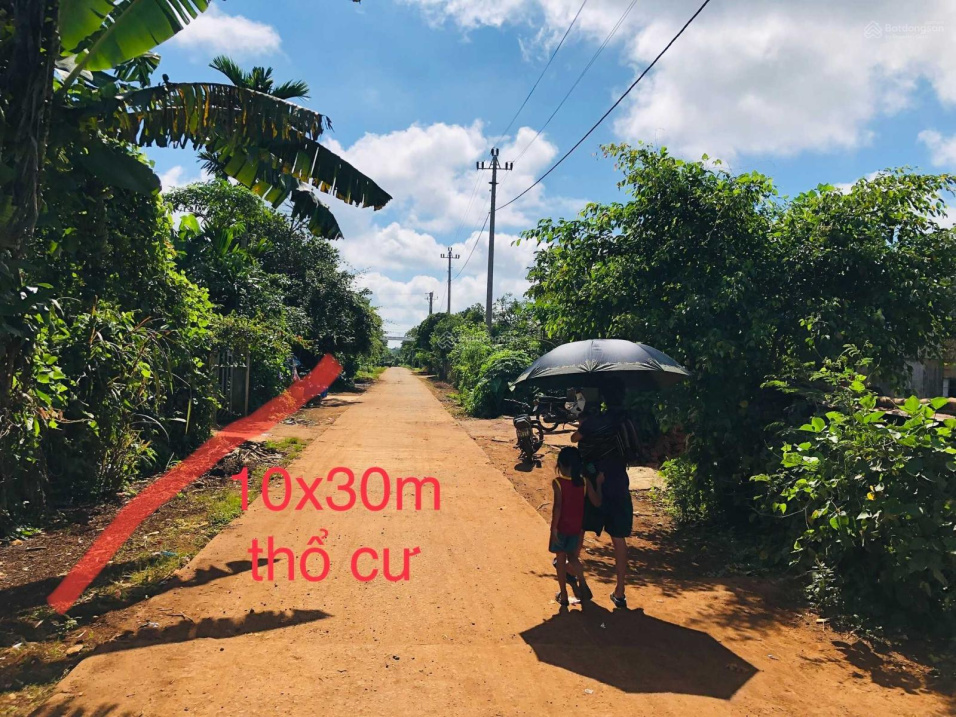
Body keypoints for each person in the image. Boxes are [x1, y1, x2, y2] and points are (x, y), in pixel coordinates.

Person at [571, 382, 632, 609]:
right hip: (619, 483)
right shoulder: (626, 421)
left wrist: (583, 425)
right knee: (619, 538)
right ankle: (620, 591)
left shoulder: (595, 422)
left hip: (595, 482)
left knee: (581, 526)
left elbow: (574, 439)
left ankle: (571, 569)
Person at [549, 447, 600, 606]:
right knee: (573, 557)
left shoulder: (558, 483)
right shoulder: (585, 482)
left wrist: (554, 528)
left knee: (560, 559)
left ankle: (564, 595)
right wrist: (598, 484)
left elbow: (557, 507)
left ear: (560, 465)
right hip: (576, 528)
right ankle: (582, 581)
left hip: (561, 527)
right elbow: (597, 502)